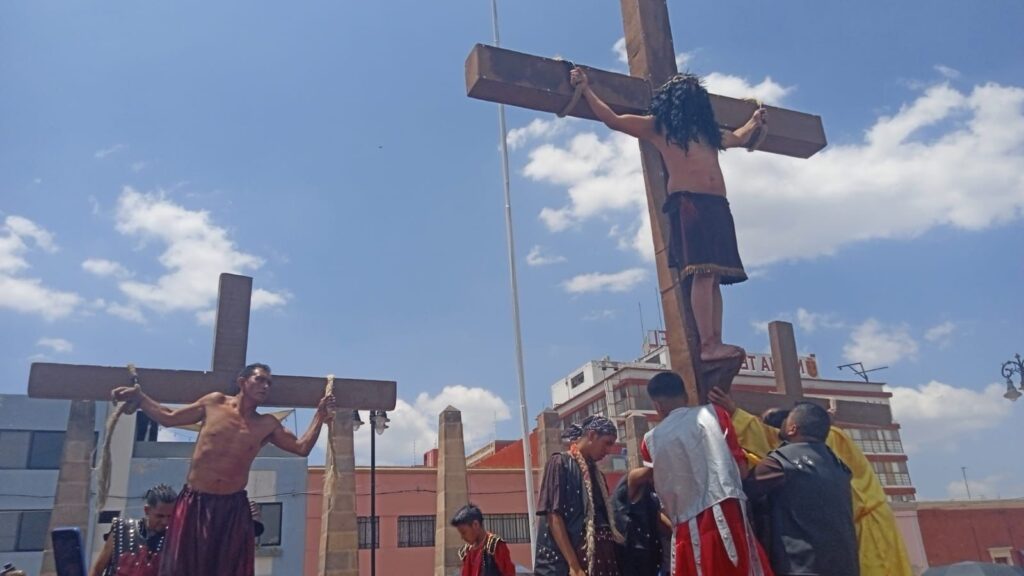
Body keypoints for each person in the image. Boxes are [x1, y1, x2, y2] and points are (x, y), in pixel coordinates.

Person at [570, 68, 766, 362]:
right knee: (703, 272)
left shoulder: (707, 134)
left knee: (714, 277)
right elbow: (614, 120)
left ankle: (716, 340)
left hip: (717, 206)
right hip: (690, 204)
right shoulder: (660, 128)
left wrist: (753, 122)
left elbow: (736, 138)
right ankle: (708, 344)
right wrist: (585, 89)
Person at [111, 363, 336, 576]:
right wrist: (140, 398)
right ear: (242, 381)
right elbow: (169, 418)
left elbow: (301, 448)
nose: (265, 386)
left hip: (232, 505)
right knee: (183, 565)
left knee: (229, 567)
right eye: (260, 380)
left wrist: (319, 416)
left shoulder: (267, 424)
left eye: (269, 383)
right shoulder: (214, 403)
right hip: (196, 501)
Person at [709, 387, 913, 576]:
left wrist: (735, 416)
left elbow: (767, 450)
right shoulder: (831, 460)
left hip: (859, 538)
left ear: (791, 428)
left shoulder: (818, 445)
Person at [640, 371, 770, 576]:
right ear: (686, 396)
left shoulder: (649, 441)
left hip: (684, 525)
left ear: (657, 405)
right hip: (727, 512)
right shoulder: (716, 415)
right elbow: (742, 470)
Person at [743, 403, 859, 576]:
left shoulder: (782, 461)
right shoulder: (839, 465)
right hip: (846, 567)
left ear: (792, 429)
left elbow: (743, 490)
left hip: (801, 567)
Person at [534, 415, 624, 576]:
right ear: (591, 435)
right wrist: (574, 566)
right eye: (607, 443)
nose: (609, 450)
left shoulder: (598, 476)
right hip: (566, 567)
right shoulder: (559, 463)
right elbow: (554, 516)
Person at [90, 484, 177, 576]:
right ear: (147, 510)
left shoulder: (175, 541)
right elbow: (97, 569)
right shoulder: (122, 530)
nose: (165, 521)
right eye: (160, 516)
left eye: (170, 516)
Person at [611, 467, 671, 576]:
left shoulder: (651, 498)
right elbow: (636, 475)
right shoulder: (631, 487)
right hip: (631, 560)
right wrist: (663, 464)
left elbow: (658, 518)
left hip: (650, 562)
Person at [451, 504, 516, 576]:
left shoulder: (495, 546)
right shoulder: (466, 552)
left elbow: (509, 573)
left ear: (475, 525)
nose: (462, 537)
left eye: (464, 532)